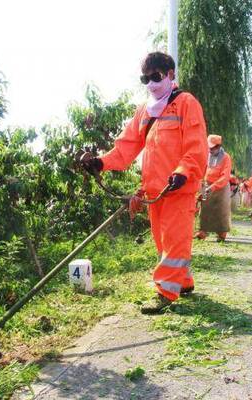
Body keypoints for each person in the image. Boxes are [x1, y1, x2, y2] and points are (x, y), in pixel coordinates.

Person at [82, 52, 208, 314]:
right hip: (154, 191)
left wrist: (183, 171)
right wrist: (101, 163)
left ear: (170, 74)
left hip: (179, 188)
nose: (151, 83)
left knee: (174, 241)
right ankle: (183, 282)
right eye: (145, 79)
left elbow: (196, 147)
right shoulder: (144, 111)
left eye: (156, 77)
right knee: (164, 243)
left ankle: (165, 293)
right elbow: (126, 147)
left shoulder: (186, 103)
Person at [194, 135, 232, 242]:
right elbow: (201, 171)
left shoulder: (226, 157)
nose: (210, 150)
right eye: (209, 148)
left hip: (221, 187)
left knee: (221, 209)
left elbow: (225, 177)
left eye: (212, 148)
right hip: (206, 184)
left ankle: (221, 233)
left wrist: (213, 186)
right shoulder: (206, 156)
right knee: (205, 208)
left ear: (219, 146)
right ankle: (203, 232)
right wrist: (201, 185)